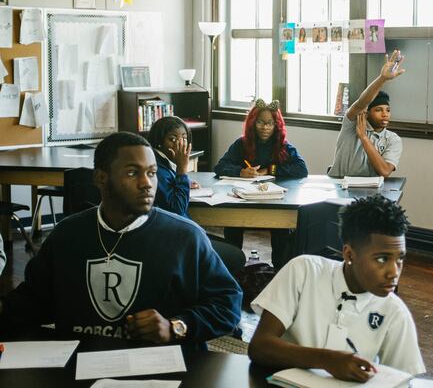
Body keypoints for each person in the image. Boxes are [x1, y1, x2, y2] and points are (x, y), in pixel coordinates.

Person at [0, 132, 242, 346]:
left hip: (159, 365)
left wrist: (175, 326)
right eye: (132, 173)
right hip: (79, 363)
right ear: (100, 179)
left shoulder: (185, 237)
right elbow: (30, 302)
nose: (147, 184)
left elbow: (227, 303)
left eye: (152, 173)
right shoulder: (67, 234)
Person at [247, 195, 425, 381]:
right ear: (349, 254)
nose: (393, 272)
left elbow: (404, 380)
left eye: (400, 259)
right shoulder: (304, 271)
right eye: (382, 259)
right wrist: (326, 359)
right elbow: (260, 346)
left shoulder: (395, 313)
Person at [215, 99, 308, 251]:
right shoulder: (241, 143)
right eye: (260, 122)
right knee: (232, 227)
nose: (265, 127)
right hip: (242, 201)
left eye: (270, 123)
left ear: (276, 125)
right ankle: (234, 266)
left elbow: (302, 169)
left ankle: (279, 270)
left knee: (281, 233)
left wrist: (269, 170)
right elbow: (220, 166)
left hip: (276, 202)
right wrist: (240, 172)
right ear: (253, 123)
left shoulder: (283, 145)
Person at [328, 50, 405, 178]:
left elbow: (385, 171)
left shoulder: (393, 139)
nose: (385, 114)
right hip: (339, 187)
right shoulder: (352, 124)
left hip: (369, 192)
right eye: (378, 110)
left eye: (388, 110)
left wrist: (364, 138)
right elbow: (361, 103)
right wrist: (382, 79)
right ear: (367, 112)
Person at [147, 116, 200, 218]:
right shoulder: (156, 169)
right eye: (172, 139)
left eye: (184, 138)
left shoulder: (163, 161)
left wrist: (184, 182)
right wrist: (182, 171)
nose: (180, 144)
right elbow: (177, 210)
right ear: (159, 141)